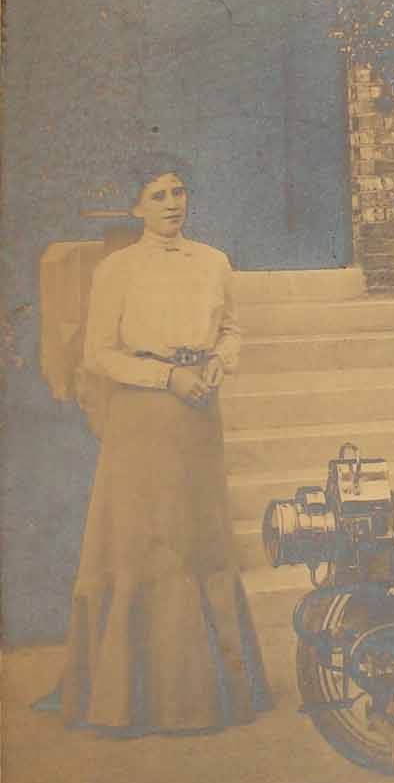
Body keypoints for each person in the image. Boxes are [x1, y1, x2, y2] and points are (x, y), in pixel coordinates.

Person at [56, 153, 271, 734]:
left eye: (179, 191)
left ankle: (215, 691)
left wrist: (218, 363)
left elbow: (231, 330)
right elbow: (99, 353)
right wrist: (165, 377)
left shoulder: (213, 262)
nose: (173, 203)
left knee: (200, 537)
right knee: (152, 539)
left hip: (199, 410)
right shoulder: (118, 269)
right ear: (135, 206)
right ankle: (139, 698)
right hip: (143, 413)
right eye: (158, 195)